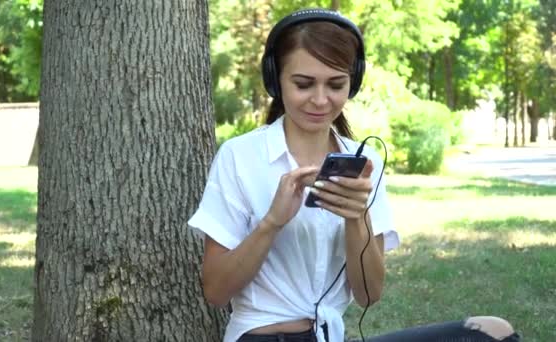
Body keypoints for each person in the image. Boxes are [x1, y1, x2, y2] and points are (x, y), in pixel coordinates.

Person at [188, 8, 522, 342]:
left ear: (354, 82)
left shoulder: (365, 162)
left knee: (493, 331)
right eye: (303, 84)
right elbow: (216, 291)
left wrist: (356, 218)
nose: (320, 100)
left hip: (330, 337)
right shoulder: (240, 156)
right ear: (276, 80)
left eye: (336, 85)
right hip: (262, 337)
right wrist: (272, 223)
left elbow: (369, 294)